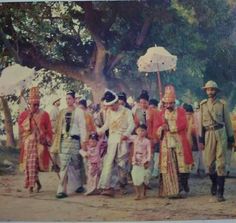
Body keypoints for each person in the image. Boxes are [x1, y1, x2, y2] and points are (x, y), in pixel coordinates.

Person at [153, 85, 193, 198]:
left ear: (174, 102)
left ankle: (183, 185)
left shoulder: (180, 111)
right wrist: (161, 128)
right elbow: (156, 128)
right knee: (170, 167)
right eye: (167, 103)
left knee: (183, 168)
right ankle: (173, 190)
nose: (169, 105)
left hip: (179, 142)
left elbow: (183, 124)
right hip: (166, 143)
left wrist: (170, 127)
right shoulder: (160, 113)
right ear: (164, 103)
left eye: (171, 103)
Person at [199, 80, 234, 202]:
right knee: (209, 164)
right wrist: (201, 137)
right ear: (206, 91)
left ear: (216, 91)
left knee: (221, 163)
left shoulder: (222, 104)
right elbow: (200, 124)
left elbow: (228, 122)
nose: (210, 91)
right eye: (208, 89)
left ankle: (220, 192)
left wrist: (230, 137)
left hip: (221, 133)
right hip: (208, 134)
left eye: (212, 89)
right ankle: (214, 183)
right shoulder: (202, 105)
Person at [97, 89, 135, 197]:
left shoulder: (126, 111)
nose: (111, 108)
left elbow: (131, 125)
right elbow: (107, 124)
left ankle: (121, 185)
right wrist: (101, 130)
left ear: (117, 102)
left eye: (113, 105)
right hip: (112, 140)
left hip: (123, 140)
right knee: (108, 163)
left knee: (122, 165)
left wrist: (126, 134)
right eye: (109, 106)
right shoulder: (109, 112)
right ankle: (107, 187)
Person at [51, 90, 87, 199]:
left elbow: (82, 127)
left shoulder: (79, 112)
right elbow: (57, 128)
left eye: (70, 98)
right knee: (64, 166)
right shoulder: (62, 112)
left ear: (74, 99)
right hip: (64, 142)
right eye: (66, 99)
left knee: (77, 165)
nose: (68, 101)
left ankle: (78, 186)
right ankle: (62, 190)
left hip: (76, 141)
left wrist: (83, 142)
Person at [18, 86, 53, 193]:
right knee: (30, 165)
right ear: (30, 104)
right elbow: (21, 127)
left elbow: (49, 129)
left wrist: (44, 134)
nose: (36, 107)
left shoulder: (45, 114)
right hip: (28, 143)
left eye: (37, 104)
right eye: (34, 105)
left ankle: (33, 185)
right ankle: (34, 185)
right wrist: (29, 118)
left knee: (34, 165)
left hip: (39, 144)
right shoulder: (25, 114)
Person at [129, 124, 151, 200]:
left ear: (146, 132)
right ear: (136, 131)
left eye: (143, 131)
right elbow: (126, 137)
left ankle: (143, 193)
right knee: (135, 177)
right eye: (139, 130)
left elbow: (149, 151)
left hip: (144, 161)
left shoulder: (147, 141)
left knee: (144, 178)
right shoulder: (134, 139)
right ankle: (138, 194)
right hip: (135, 161)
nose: (141, 132)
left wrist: (147, 161)